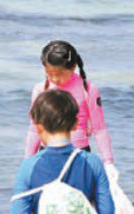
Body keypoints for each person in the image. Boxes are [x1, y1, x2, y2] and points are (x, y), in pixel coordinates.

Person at [24, 40, 119, 180]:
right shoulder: (40, 89)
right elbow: (34, 129)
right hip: (47, 156)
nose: (55, 79)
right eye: (49, 74)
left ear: (73, 67)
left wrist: (108, 162)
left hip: (79, 156)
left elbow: (99, 129)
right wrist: (27, 161)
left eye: (60, 74)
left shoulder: (87, 89)